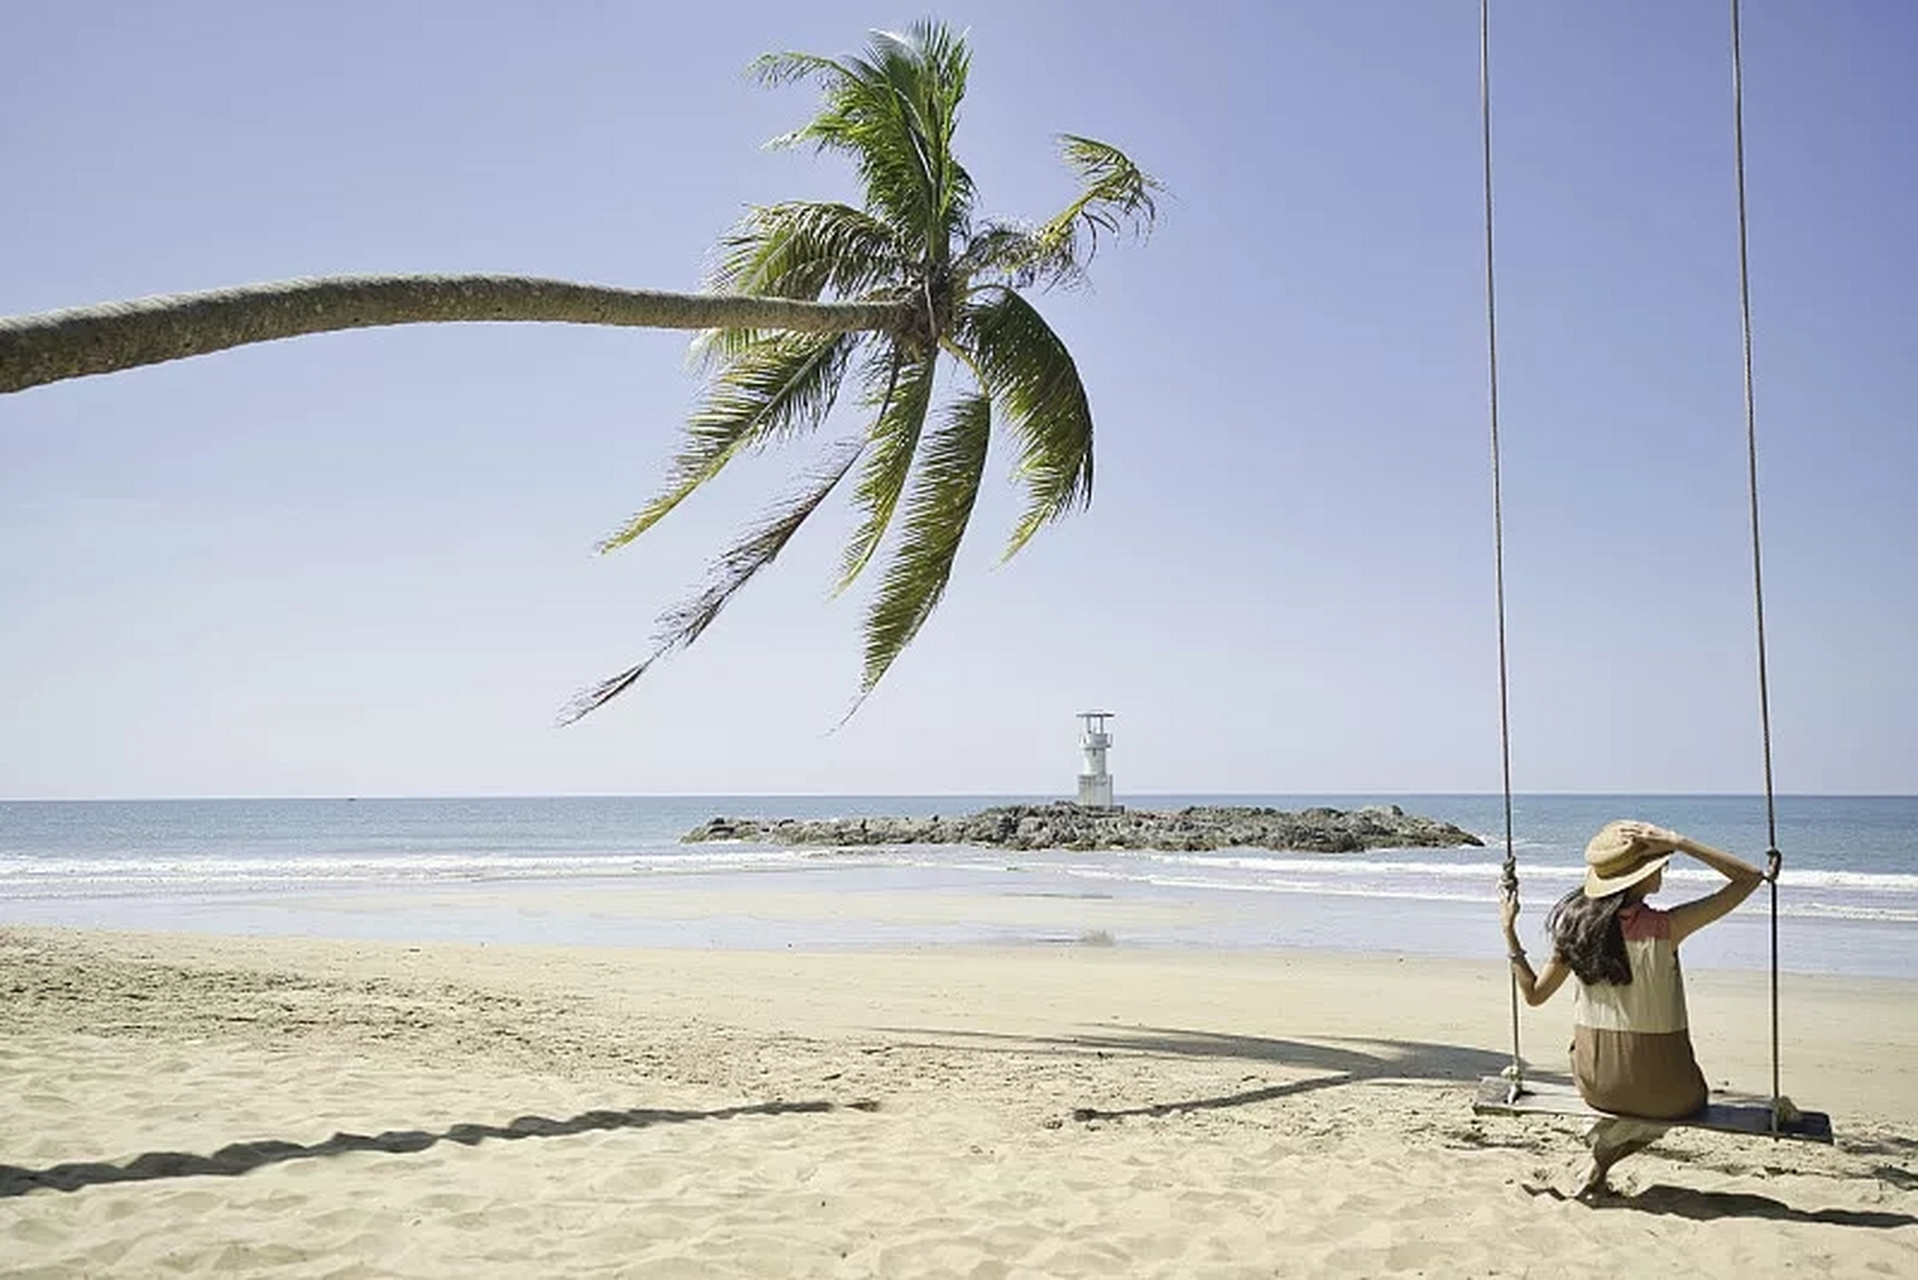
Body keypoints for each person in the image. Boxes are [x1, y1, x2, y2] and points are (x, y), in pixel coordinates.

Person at [1497, 819, 1778, 1196]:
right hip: (1669, 1094)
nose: (1664, 867)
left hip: (1597, 1087)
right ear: (1640, 876)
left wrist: (1509, 931)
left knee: (1622, 1082)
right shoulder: (1668, 926)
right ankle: (1605, 1156)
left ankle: (1603, 1151)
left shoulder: (1575, 931)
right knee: (1678, 1101)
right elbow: (1747, 879)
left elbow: (1533, 995)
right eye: (1660, 863)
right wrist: (1678, 841)